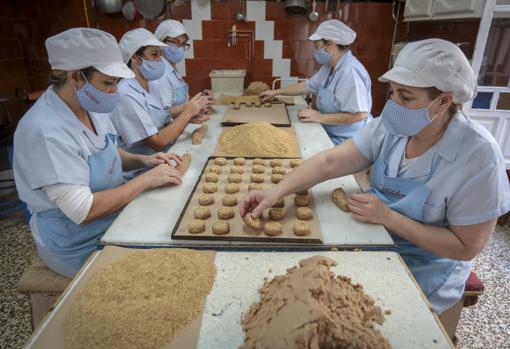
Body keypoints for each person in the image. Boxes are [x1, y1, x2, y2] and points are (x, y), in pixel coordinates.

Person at [241, 38, 510, 314]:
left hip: (428, 266)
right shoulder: (389, 127)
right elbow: (329, 162)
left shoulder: (478, 157)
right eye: (392, 92)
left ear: (443, 102)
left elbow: (466, 246)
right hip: (375, 237)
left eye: (405, 97)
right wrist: (277, 190)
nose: (392, 104)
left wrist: (389, 217)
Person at [13, 28, 184, 277]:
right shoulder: (44, 131)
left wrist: (144, 160)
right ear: (75, 77)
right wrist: (146, 181)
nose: (115, 91)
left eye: (116, 83)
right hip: (74, 241)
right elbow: (84, 211)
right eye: (108, 82)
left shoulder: (91, 106)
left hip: (112, 218)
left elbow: (106, 153)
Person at [110, 28, 208, 179]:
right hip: (140, 172)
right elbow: (157, 142)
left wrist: (188, 114)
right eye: (154, 54)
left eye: (160, 54)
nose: (160, 60)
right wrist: (186, 113)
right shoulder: (126, 94)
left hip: (163, 159)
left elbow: (161, 116)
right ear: (135, 59)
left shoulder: (150, 85)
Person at [261, 19, 372, 145]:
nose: (316, 52)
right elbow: (307, 86)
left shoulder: (350, 72)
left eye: (317, 46)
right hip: (332, 133)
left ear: (330, 43)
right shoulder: (329, 67)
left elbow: (360, 114)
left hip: (351, 141)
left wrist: (320, 117)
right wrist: (276, 92)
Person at [152, 20, 214, 117]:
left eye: (183, 43)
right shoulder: (159, 74)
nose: (180, 48)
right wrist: (192, 107)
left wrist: (199, 100)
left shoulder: (171, 68)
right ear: (160, 43)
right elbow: (163, 114)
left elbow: (177, 102)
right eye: (175, 42)